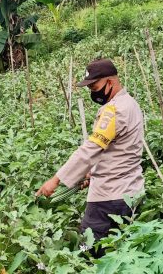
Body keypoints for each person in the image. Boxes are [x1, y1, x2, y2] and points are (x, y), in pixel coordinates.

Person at [36, 59, 144, 255]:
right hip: (130, 192)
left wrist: (56, 179)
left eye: (94, 86)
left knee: (88, 247)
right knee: (120, 247)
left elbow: (91, 148)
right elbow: (118, 150)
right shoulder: (131, 104)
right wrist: (90, 174)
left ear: (110, 82)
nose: (92, 92)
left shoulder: (114, 110)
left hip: (108, 197)